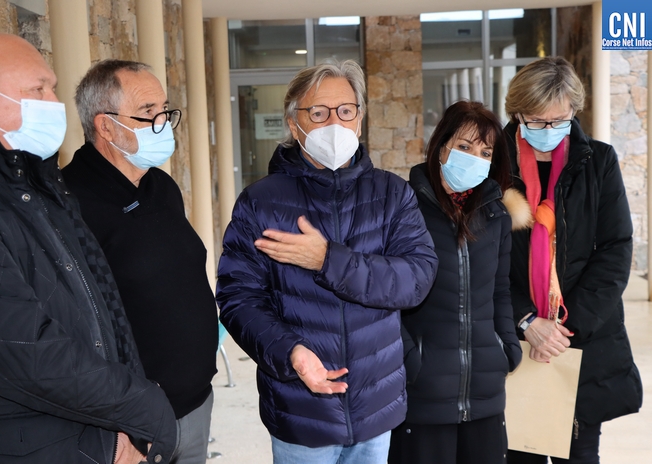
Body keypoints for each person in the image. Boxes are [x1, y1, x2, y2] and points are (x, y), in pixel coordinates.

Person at [0, 33, 176, 463]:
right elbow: (23, 348)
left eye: (53, 88)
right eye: (38, 89)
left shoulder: (34, 181)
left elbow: (100, 301)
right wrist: (145, 411)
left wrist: (130, 417)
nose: (54, 102)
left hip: (95, 434)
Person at [216, 60, 438, 464]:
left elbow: (416, 279)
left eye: (346, 110)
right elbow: (238, 297)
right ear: (293, 123)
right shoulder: (261, 202)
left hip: (375, 406)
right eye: (318, 113)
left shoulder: (392, 195)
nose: (335, 123)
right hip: (300, 408)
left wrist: (326, 260)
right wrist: (290, 352)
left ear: (360, 119)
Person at [62, 60, 218, 464]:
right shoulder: (69, 203)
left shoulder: (160, 185)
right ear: (106, 126)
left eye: (164, 109)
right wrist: (115, 421)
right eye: (149, 112)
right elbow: (74, 327)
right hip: (132, 422)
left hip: (196, 403)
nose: (163, 122)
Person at [504, 57, 643, 464]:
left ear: (573, 112)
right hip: (514, 341)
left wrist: (563, 329)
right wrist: (527, 321)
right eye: (536, 120)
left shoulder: (598, 161)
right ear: (517, 113)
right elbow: (482, 258)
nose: (548, 130)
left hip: (581, 341)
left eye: (559, 120)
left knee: (579, 453)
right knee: (520, 453)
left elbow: (615, 248)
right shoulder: (494, 166)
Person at [388, 101, 525, 464]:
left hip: (485, 395)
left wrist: (506, 348)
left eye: (485, 152)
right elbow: (387, 294)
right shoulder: (403, 208)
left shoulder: (495, 213)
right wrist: (409, 359)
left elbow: (500, 290)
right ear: (442, 146)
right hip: (423, 395)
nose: (474, 158)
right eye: (465, 147)